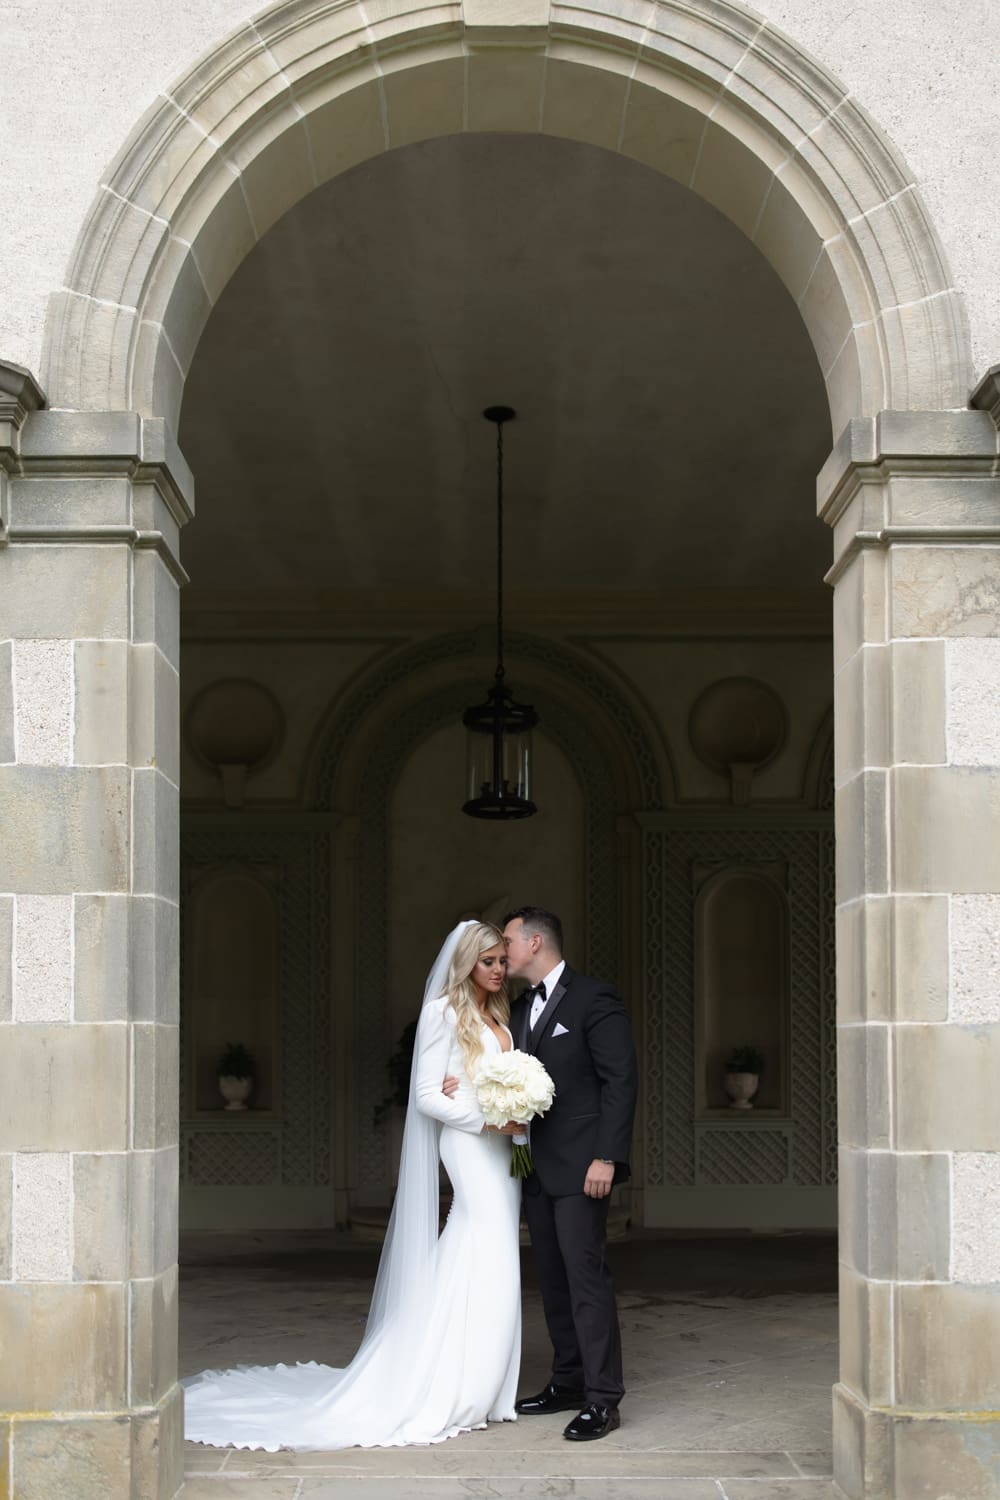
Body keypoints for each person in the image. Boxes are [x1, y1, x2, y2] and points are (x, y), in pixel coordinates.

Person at [183, 920, 523, 1451]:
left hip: (505, 1151)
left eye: (502, 960)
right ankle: (453, 1387)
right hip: (472, 1145)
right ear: (466, 964)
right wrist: (486, 1118)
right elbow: (428, 1096)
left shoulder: (499, 1014)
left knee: (491, 1257)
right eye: (489, 962)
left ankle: (487, 1383)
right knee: (485, 1246)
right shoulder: (443, 1014)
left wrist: (517, 1111)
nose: (499, 970)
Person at [503, 905, 637, 1442]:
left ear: (535, 943)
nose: (503, 948)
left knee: (586, 1280)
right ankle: (568, 1382)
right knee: (553, 1281)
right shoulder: (518, 1007)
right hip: (534, 1166)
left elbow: (619, 1079)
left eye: (508, 940)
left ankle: (604, 1399)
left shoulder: (593, 998)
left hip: (584, 1167)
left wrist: (607, 1156)